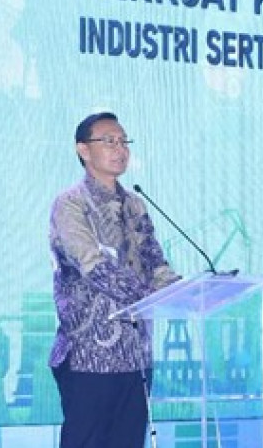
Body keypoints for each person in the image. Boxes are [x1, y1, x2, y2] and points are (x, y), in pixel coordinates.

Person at [49, 112, 180, 448]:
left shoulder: (135, 204)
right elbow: (93, 267)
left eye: (124, 142)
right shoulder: (71, 204)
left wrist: (180, 289)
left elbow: (155, 262)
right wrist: (150, 294)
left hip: (136, 356)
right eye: (109, 141)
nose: (120, 149)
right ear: (83, 150)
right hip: (88, 355)